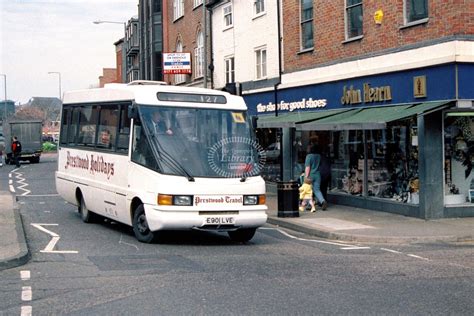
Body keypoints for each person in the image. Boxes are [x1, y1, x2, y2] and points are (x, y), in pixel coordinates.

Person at [305, 144, 328, 210]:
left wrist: (306, 176)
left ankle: (310, 205)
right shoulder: (318, 156)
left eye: (308, 148)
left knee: (309, 190)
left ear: (311, 149)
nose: (307, 149)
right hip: (317, 175)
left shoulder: (309, 156)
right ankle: (323, 201)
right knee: (317, 190)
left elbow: (308, 167)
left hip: (310, 174)